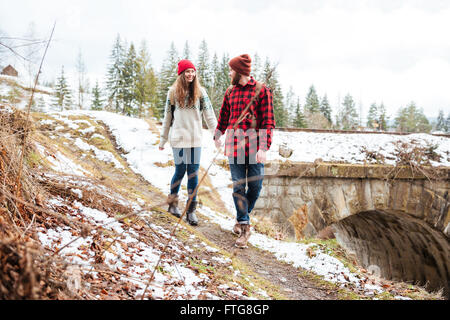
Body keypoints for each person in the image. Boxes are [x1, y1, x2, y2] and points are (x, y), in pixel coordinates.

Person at [214, 54, 275, 248]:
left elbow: (268, 121)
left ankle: (241, 216)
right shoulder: (230, 91)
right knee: (238, 187)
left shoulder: (261, 91)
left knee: (255, 187)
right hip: (234, 145)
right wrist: (218, 133)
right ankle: (245, 227)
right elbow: (224, 115)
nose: (229, 73)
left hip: (255, 146)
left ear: (239, 71)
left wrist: (264, 147)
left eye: (231, 70)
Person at [159, 59, 217, 226]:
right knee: (180, 171)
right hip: (178, 139)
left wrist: (216, 134)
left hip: (195, 139)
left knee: (193, 173)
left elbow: (209, 115)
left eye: (193, 71)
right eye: (187, 72)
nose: (190, 74)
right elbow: (167, 117)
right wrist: (163, 139)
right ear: (181, 74)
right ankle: (172, 204)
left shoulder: (201, 92)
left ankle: (191, 210)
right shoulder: (172, 92)